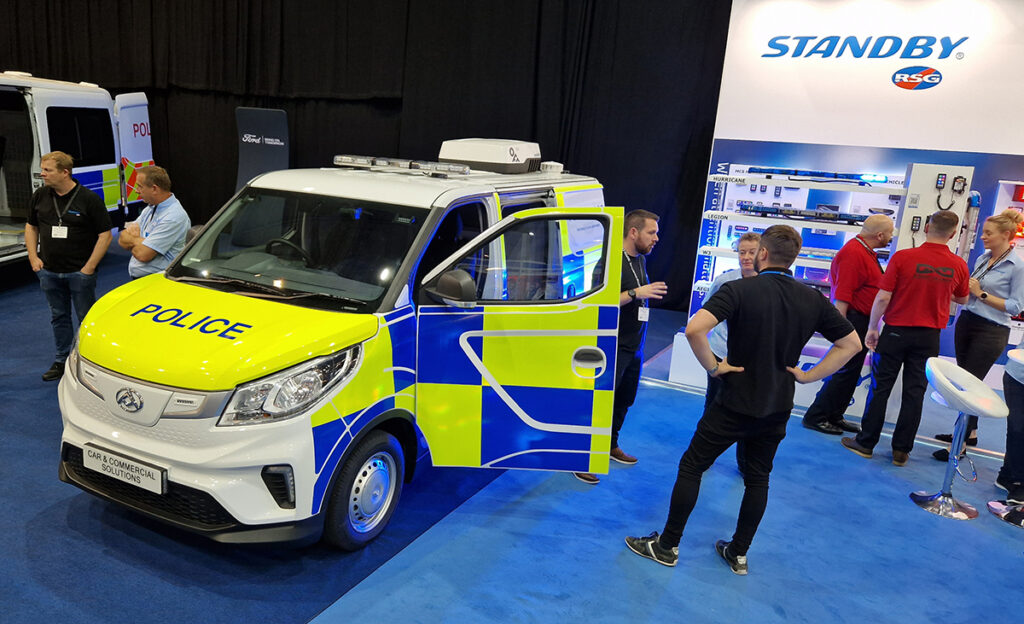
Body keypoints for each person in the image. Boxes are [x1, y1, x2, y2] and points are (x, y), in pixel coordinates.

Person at [625, 225, 859, 573]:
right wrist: (810, 376)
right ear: (793, 257)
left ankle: (667, 545)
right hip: (778, 404)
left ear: (763, 253)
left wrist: (715, 367)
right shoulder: (812, 299)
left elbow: (694, 329)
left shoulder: (738, 290)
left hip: (734, 400)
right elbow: (852, 344)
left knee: (693, 466)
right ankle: (738, 553)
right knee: (758, 478)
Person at [842, 211, 969, 466]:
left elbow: (883, 297)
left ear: (926, 227)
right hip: (929, 336)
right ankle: (901, 451)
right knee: (915, 392)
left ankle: (866, 443)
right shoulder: (958, 265)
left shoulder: (903, 258)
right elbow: (963, 299)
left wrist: (872, 327)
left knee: (881, 388)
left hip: (897, 331)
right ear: (954, 233)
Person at [573, 209, 667, 484]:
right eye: (652, 232)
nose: (657, 238)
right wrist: (637, 293)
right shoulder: (610, 262)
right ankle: (580, 457)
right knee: (598, 403)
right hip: (609, 347)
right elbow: (598, 303)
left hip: (633, 345)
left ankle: (609, 446)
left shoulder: (639, 260)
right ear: (633, 232)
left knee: (624, 400)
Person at [932, 209, 1024, 461]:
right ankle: (968, 433)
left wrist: (981, 293)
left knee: (969, 384)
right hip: (968, 322)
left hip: (991, 330)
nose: (982, 237)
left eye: (988, 233)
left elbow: (1016, 307)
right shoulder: (983, 259)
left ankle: (959, 445)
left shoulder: (1018, 267)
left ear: (1006, 235)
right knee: (965, 381)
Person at [802, 215, 894, 435]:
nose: (891, 236)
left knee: (850, 372)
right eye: (890, 232)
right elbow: (843, 295)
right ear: (880, 235)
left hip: (860, 320)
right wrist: (841, 330)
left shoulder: (865, 252)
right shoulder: (853, 253)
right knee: (843, 370)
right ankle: (817, 415)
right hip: (852, 319)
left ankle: (834, 414)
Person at [25, 151, 112, 381]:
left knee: (86, 319)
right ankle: (61, 360)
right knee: (58, 317)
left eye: (48, 170)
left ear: (65, 172)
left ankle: (89, 361)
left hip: (79, 273)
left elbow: (105, 235)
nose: (42, 174)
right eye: (42, 170)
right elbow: (31, 227)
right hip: (49, 271)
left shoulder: (89, 199)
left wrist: (89, 268)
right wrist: (33, 257)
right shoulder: (40, 196)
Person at [704, 232, 760, 473]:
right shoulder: (725, 281)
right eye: (742, 252)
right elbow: (707, 311)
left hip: (752, 359)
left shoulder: (767, 285)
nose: (746, 257)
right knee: (713, 405)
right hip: (720, 352)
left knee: (750, 412)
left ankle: (746, 462)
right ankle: (704, 455)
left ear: (762, 253)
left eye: (751, 252)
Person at [118, 165, 190, 279]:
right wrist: (140, 242)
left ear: (154, 189)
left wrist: (133, 240)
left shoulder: (173, 216)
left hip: (158, 282)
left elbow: (143, 254)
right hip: (143, 279)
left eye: (140, 186)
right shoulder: (149, 209)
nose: (136, 191)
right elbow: (122, 238)